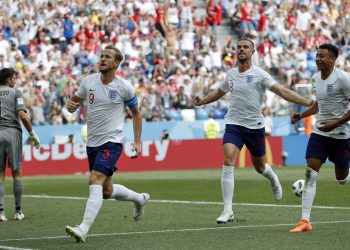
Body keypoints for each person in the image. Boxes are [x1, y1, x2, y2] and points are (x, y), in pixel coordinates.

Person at [194, 38, 313, 224]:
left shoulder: (260, 74)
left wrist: (307, 103)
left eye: (245, 47)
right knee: (227, 159)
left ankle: (273, 178)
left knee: (260, 167)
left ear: (253, 52)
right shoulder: (231, 74)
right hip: (234, 124)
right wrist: (202, 101)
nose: (241, 50)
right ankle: (227, 210)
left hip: (255, 126)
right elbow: (218, 93)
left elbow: (282, 91)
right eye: (239, 47)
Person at [65, 45, 150, 243]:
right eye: (101, 56)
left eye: (107, 57)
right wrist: (71, 105)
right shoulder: (89, 81)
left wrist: (137, 141)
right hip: (92, 143)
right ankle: (140, 199)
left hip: (112, 142)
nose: (102, 59)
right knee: (106, 191)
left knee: (94, 180)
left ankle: (83, 228)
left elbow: (137, 114)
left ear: (116, 63)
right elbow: (75, 100)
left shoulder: (124, 87)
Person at [289, 44, 350, 233]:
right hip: (320, 133)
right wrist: (302, 115)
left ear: (333, 59)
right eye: (316, 56)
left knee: (341, 178)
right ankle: (305, 221)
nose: (318, 59)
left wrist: (336, 123)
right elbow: (318, 106)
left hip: (341, 134)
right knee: (311, 171)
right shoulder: (315, 78)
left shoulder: (343, 79)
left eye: (322, 56)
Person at [0, 68, 40, 222]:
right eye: (14, 78)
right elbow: (22, 115)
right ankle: (18, 212)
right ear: (9, 79)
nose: (15, 81)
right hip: (12, 133)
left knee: (0, 174)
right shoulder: (16, 93)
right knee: (17, 172)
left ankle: (1, 212)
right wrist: (32, 133)